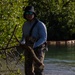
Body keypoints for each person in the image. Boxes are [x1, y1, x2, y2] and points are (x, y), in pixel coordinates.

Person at [20, 5, 47, 75]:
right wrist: (21, 42)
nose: (28, 15)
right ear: (25, 15)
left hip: (39, 48)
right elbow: (23, 36)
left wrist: (34, 45)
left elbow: (43, 38)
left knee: (38, 69)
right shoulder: (25, 25)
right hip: (28, 48)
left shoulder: (40, 24)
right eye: (27, 13)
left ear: (34, 14)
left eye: (30, 13)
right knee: (28, 69)